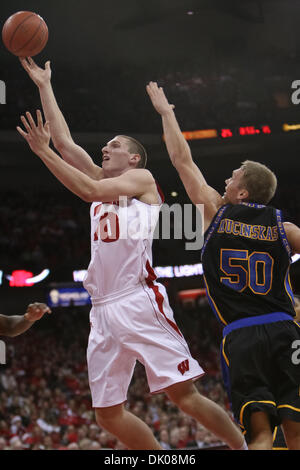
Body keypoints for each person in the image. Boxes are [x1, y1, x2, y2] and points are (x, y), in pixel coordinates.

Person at [17, 57, 247, 451]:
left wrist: (43, 154)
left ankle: (243, 448)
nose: (105, 148)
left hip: (137, 298)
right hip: (101, 309)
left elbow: (87, 189)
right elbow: (63, 141)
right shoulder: (99, 176)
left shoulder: (141, 181)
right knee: (107, 415)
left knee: (183, 395)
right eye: (106, 145)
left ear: (134, 158)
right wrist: (44, 85)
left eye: (115, 145)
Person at [146, 81, 300, 450]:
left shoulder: (214, 211)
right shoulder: (286, 227)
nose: (227, 179)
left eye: (233, 177)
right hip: (285, 330)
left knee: (262, 433)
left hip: (242, 335)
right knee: (296, 431)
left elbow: (182, 160)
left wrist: (167, 113)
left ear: (242, 193)